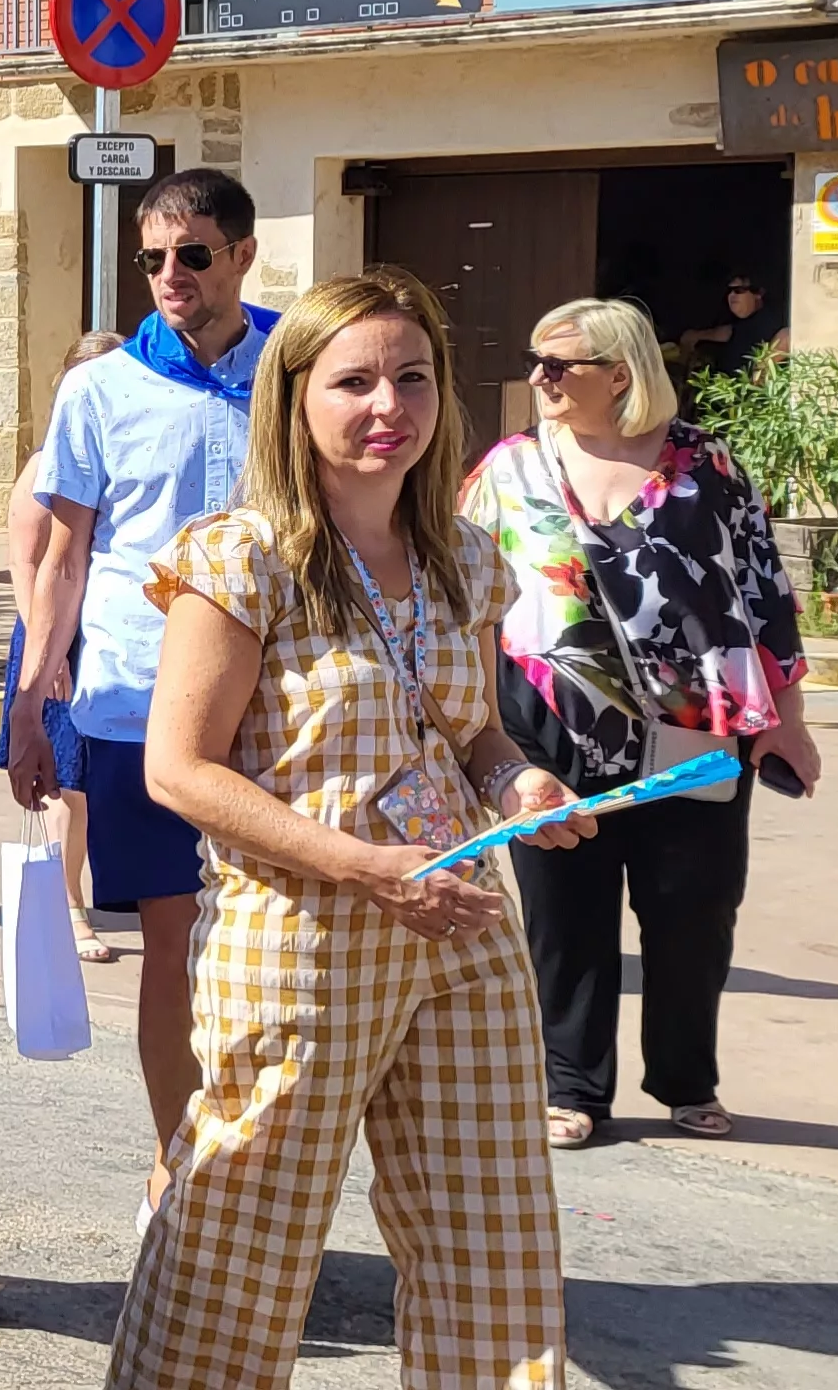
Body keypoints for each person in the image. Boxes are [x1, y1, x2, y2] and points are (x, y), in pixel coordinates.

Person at [113, 268, 585, 1390]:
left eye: (411, 379)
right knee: (243, 1236)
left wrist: (522, 785)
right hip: (300, 939)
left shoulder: (462, 558)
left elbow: (475, 739)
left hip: (461, 925)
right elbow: (177, 770)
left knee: (493, 1236)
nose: (390, 407)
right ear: (295, 399)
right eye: (356, 381)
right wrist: (365, 866)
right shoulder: (238, 557)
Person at [465, 297, 820, 1151]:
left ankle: (687, 1079)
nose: (540, 378)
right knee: (565, 916)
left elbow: (766, 596)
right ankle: (572, 1085)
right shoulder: (509, 468)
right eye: (535, 361)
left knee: (693, 912)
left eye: (561, 365)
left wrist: (789, 720)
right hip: (552, 724)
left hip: (697, 729)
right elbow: (464, 597)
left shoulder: (709, 467)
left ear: (620, 375)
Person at [8, 167, 271, 1184]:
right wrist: (33, 702)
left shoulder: (296, 366)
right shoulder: (100, 387)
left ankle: (262, 1160)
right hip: (133, 702)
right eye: (153, 257)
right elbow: (60, 557)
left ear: (241, 256)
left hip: (271, 702)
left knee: (263, 949)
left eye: (191, 255)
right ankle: (179, 1162)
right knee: (173, 939)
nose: (168, 275)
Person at [0, 329, 131, 965]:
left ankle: (108, 889)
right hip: (58, 639)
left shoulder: (120, 455)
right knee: (65, 784)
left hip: (104, 632)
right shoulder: (45, 465)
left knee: (100, 781)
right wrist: (48, 660)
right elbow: (27, 568)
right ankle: (69, 906)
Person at [676, 276, 787, 381]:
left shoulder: (773, 317)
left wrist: (761, 374)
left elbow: (787, 335)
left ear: (758, 293)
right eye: (729, 291)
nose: (732, 295)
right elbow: (730, 331)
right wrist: (697, 335)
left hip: (750, 394)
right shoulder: (744, 320)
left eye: (738, 290)